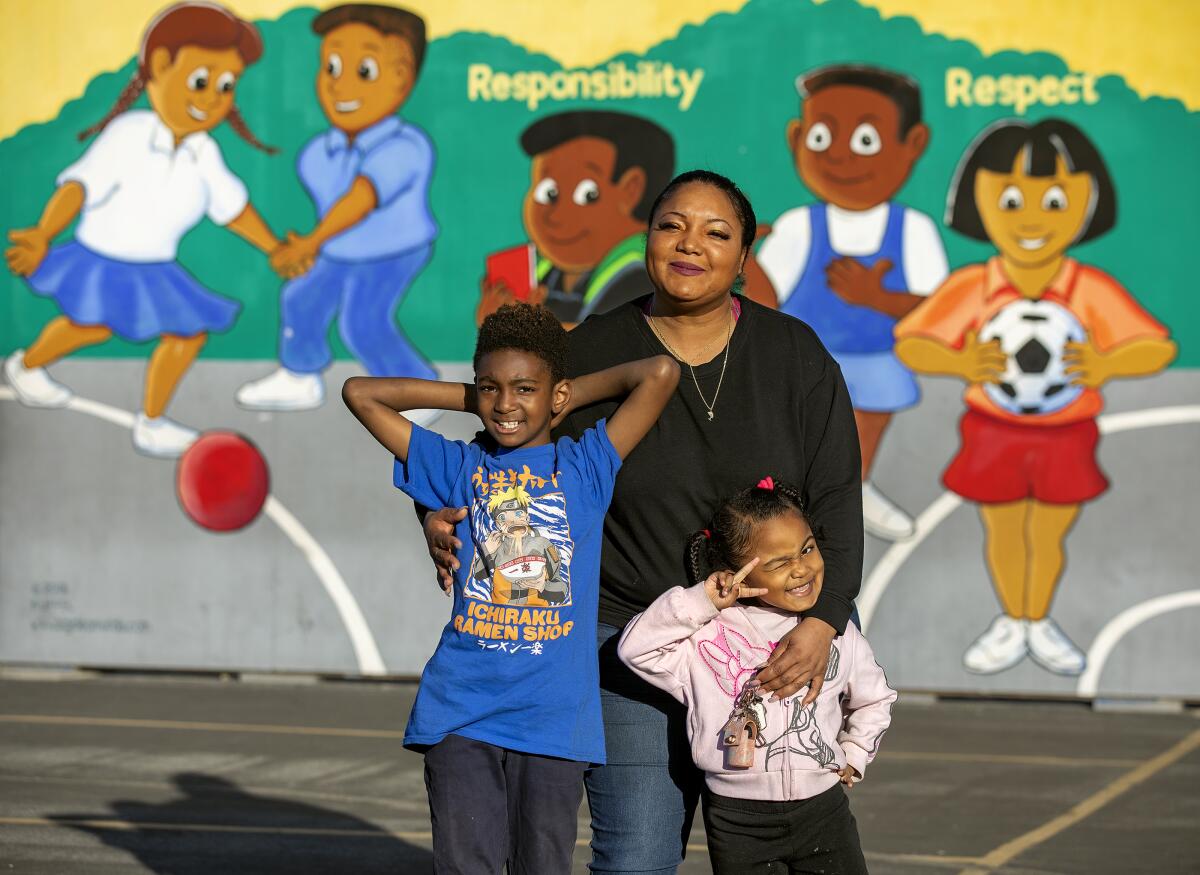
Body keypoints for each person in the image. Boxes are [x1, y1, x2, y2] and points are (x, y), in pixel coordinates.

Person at [422, 169, 864, 873]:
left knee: (790, 856)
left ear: (744, 256)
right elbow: (493, 440)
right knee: (637, 860)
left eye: (716, 232)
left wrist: (823, 621)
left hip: (775, 643)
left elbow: (838, 496)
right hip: (630, 639)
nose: (690, 244)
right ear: (648, 238)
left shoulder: (795, 355)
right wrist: (432, 510)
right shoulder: (592, 352)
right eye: (671, 225)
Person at [342, 302, 679, 874]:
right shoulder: (460, 468)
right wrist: (476, 396)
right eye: (490, 389)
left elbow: (660, 373)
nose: (505, 404)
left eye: (525, 388)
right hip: (462, 712)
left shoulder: (587, 466)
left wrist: (556, 393)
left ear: (560, 395)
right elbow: (360, 392)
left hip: (552, 722)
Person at [895, 119, 1175, 675]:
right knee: (1002, 528)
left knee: (1046, 532)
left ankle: (1037, 619)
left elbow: (1156, 348)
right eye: (1011, 198)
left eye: (1052, 200)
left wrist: (1103, 364)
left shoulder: (1089, 288)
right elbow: (913, 342)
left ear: (1088, 204)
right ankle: (1013, 621)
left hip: (1067, 431)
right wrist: (960, 361)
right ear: (977, 201)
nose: (1030, 218)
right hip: (992, 427)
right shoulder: (974, 285)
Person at [4, 1, 280, 458]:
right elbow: (78, 186)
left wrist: (274, 250)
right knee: (88, 325)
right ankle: (26, 365)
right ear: (158, 67)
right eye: (200, 80)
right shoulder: (129, 133)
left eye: (226, 86)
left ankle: (151, 421)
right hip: (101, 259)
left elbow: (232, 209)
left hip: (155, 269)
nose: (211, 97)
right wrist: (44, 233)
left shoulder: (203, 151)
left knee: (186, 334)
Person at [619, 477, 895, 874]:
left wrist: (854, 753)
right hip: (737, 820)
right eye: (780, 562)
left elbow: (876, 698)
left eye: (807, 549)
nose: (801, 569)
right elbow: (635, 648)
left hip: (823, 811)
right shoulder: (705, 635)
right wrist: (702, 600)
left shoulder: (832, 631)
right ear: (741, 574)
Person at [759, 64, 949, 540]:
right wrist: (744, 262)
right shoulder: (798, 227)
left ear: (914, 144)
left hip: (875, 358)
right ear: (796, 138)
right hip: (802, 362)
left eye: (866, 140)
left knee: (875, 401)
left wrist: (877, 297)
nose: (842, 156)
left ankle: (855, 487)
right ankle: (798, 500)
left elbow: (939, 309)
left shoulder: (914, 230)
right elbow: (764, 302)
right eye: (822, 138)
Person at [237, 3, 438, 413]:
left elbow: (360, 199)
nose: (339, 85)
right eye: (330, 67)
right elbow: (335, 208)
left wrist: (309, 243)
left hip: (394, 251)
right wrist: (310, 246)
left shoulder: (405, 146)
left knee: (362, 323)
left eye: (363, 71)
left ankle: (423, 393)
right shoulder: (318, 152)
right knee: (300, 299)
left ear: (401, 78)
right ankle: (300, 376)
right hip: (340, 250)